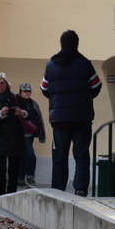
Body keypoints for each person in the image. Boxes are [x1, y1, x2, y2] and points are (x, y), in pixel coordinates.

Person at [41, 31, 102, 196]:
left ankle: (58, 189)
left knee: (60, 156)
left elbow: (44, 88)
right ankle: (80, 188)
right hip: (82, 118)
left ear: (61, 44)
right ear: (77, 44)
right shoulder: (85, 64)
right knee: (81, 154)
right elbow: (96, 86)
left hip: (59, 120)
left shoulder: (51, 65)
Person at [0, 73, 28, 196]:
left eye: (2, 83)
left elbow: (29, 114)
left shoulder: (16, 97)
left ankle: (11, 194)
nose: (0, 85)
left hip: (15, 138)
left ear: (6, 84)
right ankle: (0, 194)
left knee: (14, 170)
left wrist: (22, 113)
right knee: (0, 169)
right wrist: (0, 114)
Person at [17, 82, 45, 188]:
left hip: (30, 134)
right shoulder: (17, 104)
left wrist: (40, 134)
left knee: (25, 155)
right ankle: (28, 177)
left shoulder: (34, 104)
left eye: (28, 91)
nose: (27, 93)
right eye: (25, 91)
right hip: (20, 134)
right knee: (28, 155)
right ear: (21, 92)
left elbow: (39, 119)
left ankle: (22, 179)